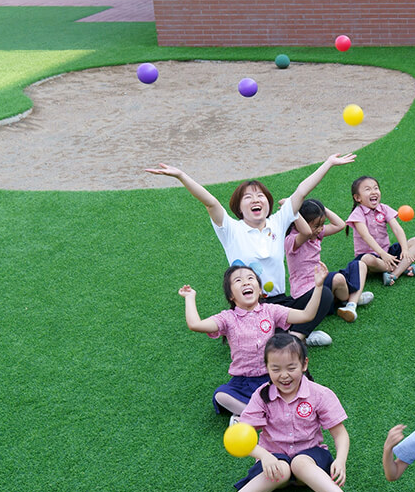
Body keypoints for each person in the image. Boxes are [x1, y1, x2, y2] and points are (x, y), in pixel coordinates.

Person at [145, 152, 356, 346]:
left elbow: (302, 190)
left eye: (260, 196)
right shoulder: (231, 230)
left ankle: (296, 336)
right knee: (254, 332)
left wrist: (328, 163)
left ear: (268, 203)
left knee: (325, 295)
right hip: (248, 305)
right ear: (239, 207)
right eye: (248, 197)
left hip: (280, 301)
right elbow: (210, 203)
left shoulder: (278, 223)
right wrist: (181, 175)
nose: (256, 199)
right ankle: (290, 333)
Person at [193, 333, 373, 492]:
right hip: (274, 464)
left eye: (291, 367)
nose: (284, 375)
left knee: (298, 463)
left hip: (311, 460)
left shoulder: (319, 394)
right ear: (267, 368)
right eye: (276, 369)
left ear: (304, 364)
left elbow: (339, 433)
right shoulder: (262, 395)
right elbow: (243, 438)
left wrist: (340, 460)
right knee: (283, 469)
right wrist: (264, 456)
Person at [179, 264, 325, 423]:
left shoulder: (271, 310)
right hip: (243, 382)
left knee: (298, 388)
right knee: (221, 396)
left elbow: (307, 315)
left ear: (260, 290)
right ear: (231, 296)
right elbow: (195, 324)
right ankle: (263, 414)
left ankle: (249, 415)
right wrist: (190, 297)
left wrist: (318, 286)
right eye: (238, 280)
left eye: (250, 278)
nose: (246, 283)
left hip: (272, 376)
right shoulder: (227, 318)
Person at [285, 198, 373, 323]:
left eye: (322, 224)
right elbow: (306, 232)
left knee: (357, 267)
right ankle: (352, 300)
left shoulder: (316, 234)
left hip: (319, 282)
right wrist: (292, 211)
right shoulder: (292, 241)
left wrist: (320, 208)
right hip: (305, 293)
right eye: (317, 226)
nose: (321, 229)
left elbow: (340, 225)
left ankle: (350, 302)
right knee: (338, 279)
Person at [345, 176, 415, 287]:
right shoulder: (358, 214)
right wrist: (382, 254)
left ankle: (394, 274)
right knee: (367, 259)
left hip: (388, 253)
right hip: (373, 257)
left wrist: (405, 249)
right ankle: (402, 267)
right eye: (368, 189)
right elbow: (366, 236)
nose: (373, 192)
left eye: (376, 188)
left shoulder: (384, 208)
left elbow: (397, 229)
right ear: (357, 198)